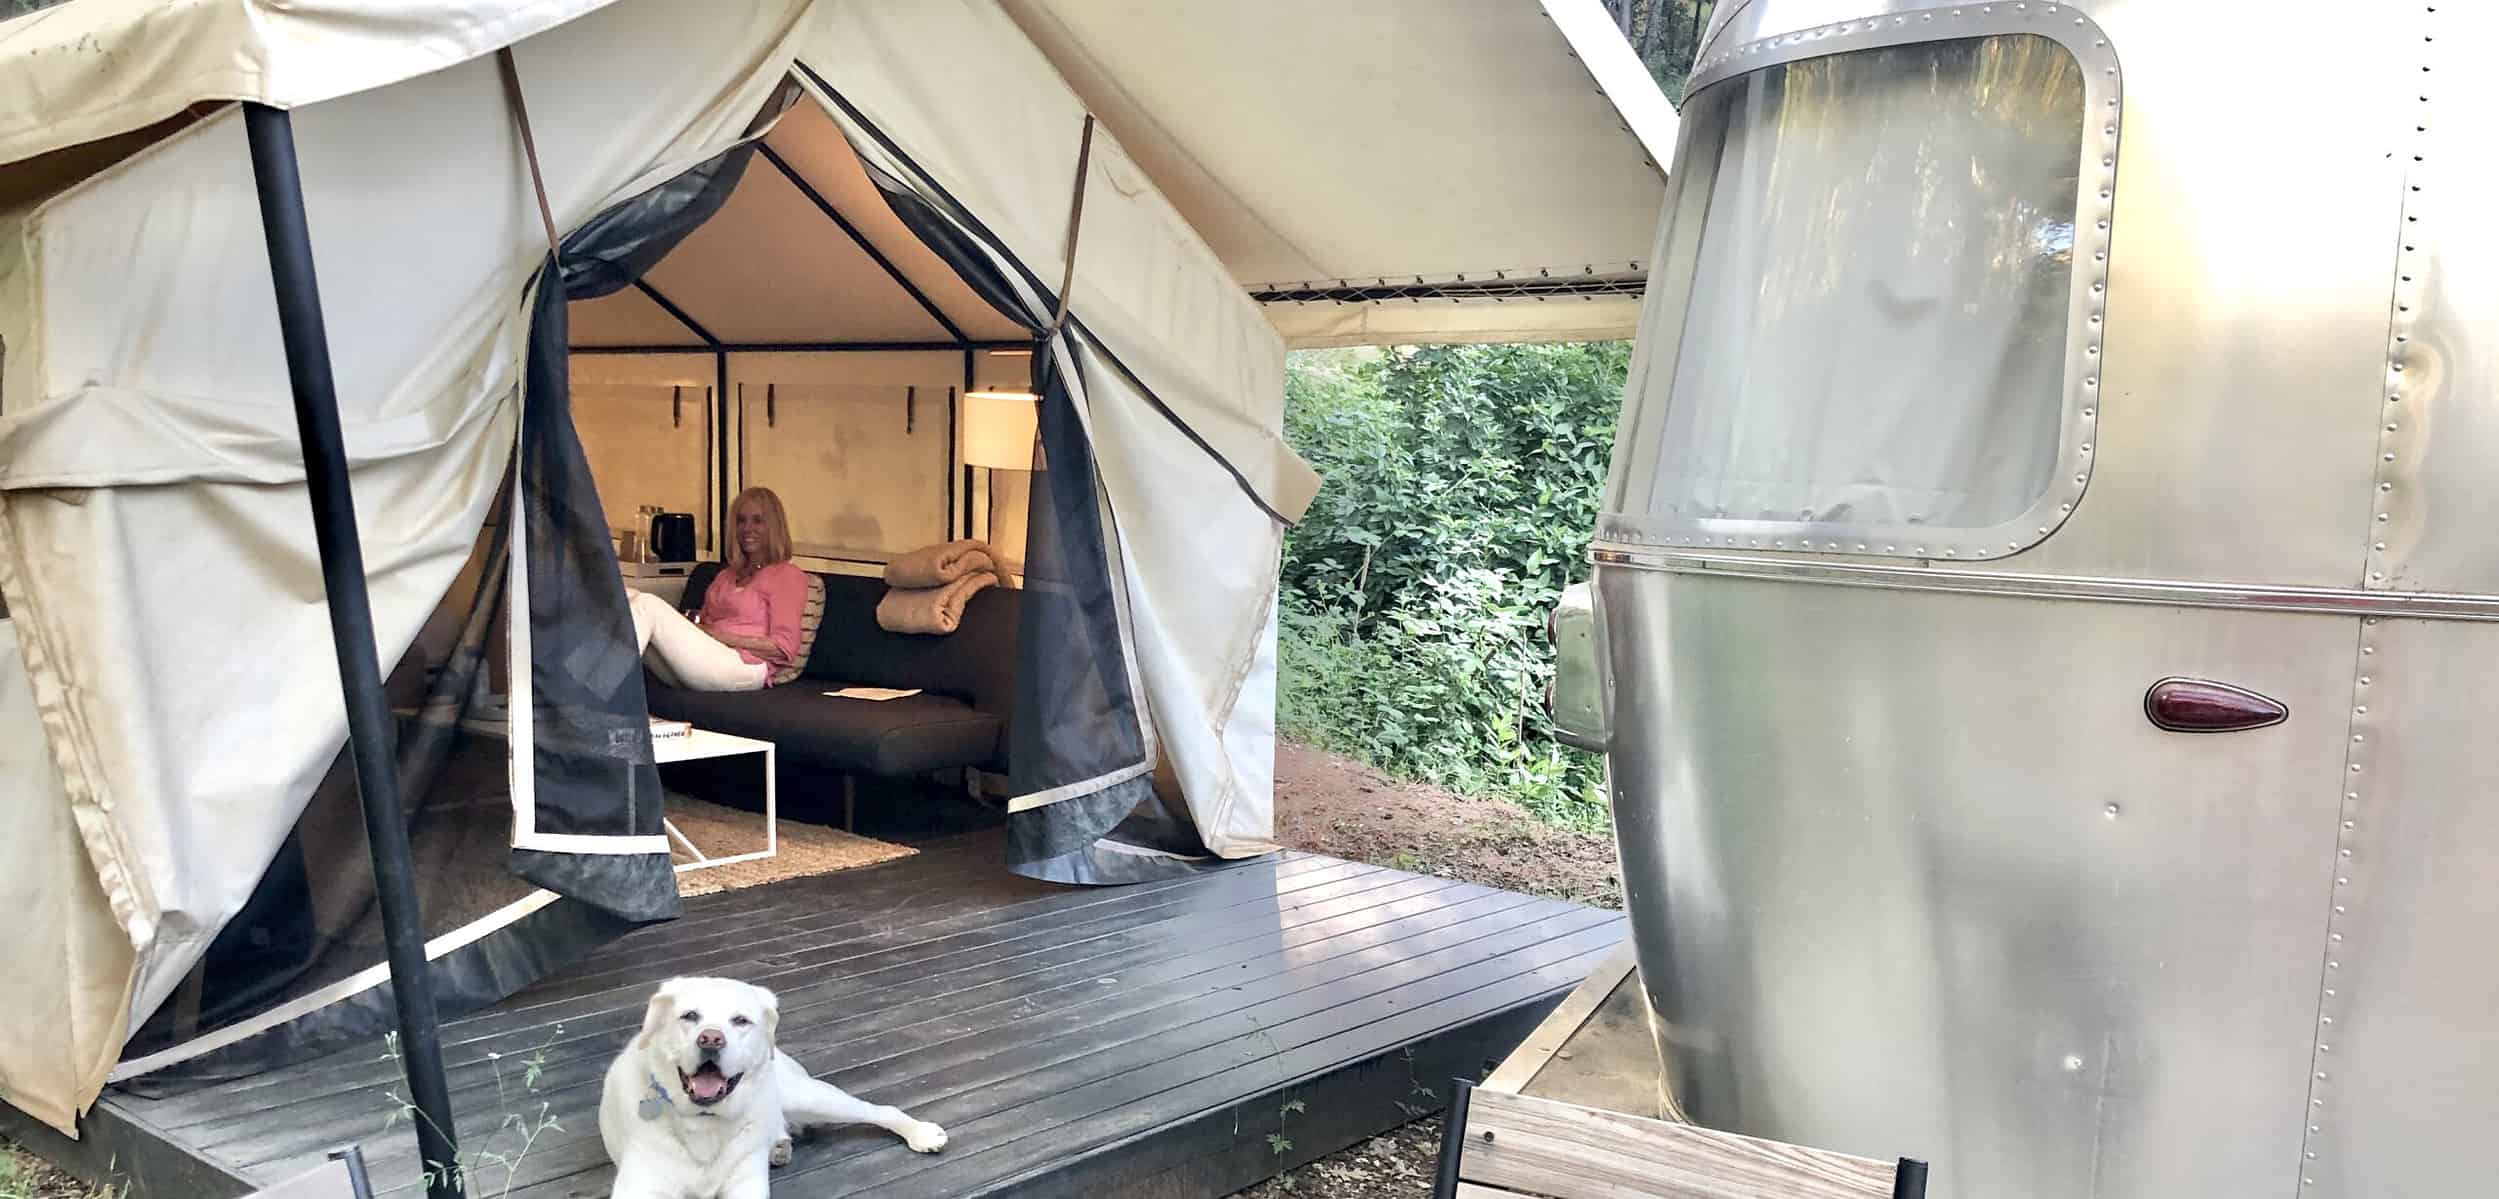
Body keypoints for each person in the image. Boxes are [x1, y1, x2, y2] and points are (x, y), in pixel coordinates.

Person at [629, 487, 807, 692]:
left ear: (774, 527)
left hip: (745, 667)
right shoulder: (726, 576)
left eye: (757, 521)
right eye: (741, 521)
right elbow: (702, 623)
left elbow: (784, 648)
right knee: (628, 595)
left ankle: (595, 693)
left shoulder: (787, 576)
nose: (747, 528)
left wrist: (720, 636)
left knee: (647, 605)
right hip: (708, 656)